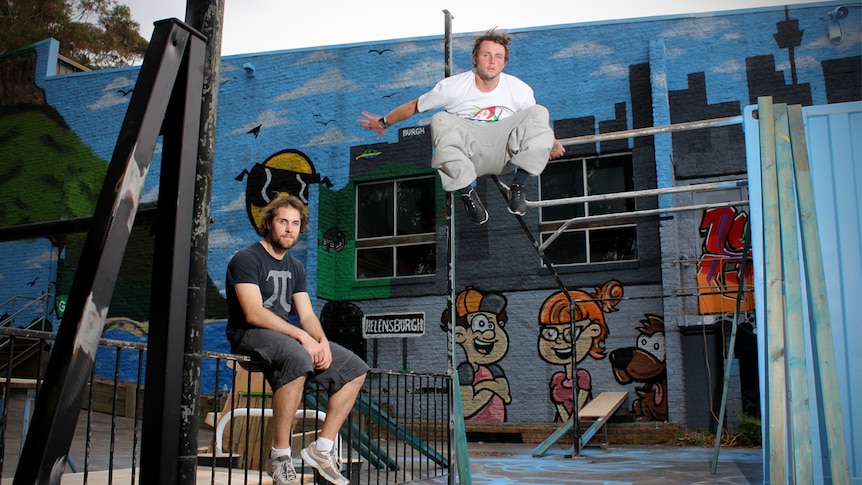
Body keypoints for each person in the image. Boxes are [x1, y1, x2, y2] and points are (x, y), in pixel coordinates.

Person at [225, 195, 369, 485]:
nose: (290, 229)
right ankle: (279, 457)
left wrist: (322, 341)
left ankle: (322, 449)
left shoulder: (296, 267)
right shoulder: (246, 258)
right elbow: (253, 313)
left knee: (355, 368)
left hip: (284, 337)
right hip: (249, 334)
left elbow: (306, 315)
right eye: (283, 222)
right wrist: (304, 338)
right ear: (268, 224)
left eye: (295, 223)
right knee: (298, 357)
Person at [359, 27, 566, 225]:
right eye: (486, 55)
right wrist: (384, 121)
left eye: (498, 57)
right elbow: (416, 106)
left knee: (539, 111)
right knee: (440, 119)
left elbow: (537, 123)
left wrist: (552, 143)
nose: (492, 61)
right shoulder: (453, 87)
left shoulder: (519, 89)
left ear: (504, 63)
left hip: (506, 153)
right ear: (475, 59)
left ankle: (518, 186)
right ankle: (467, 193)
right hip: (470, 155)